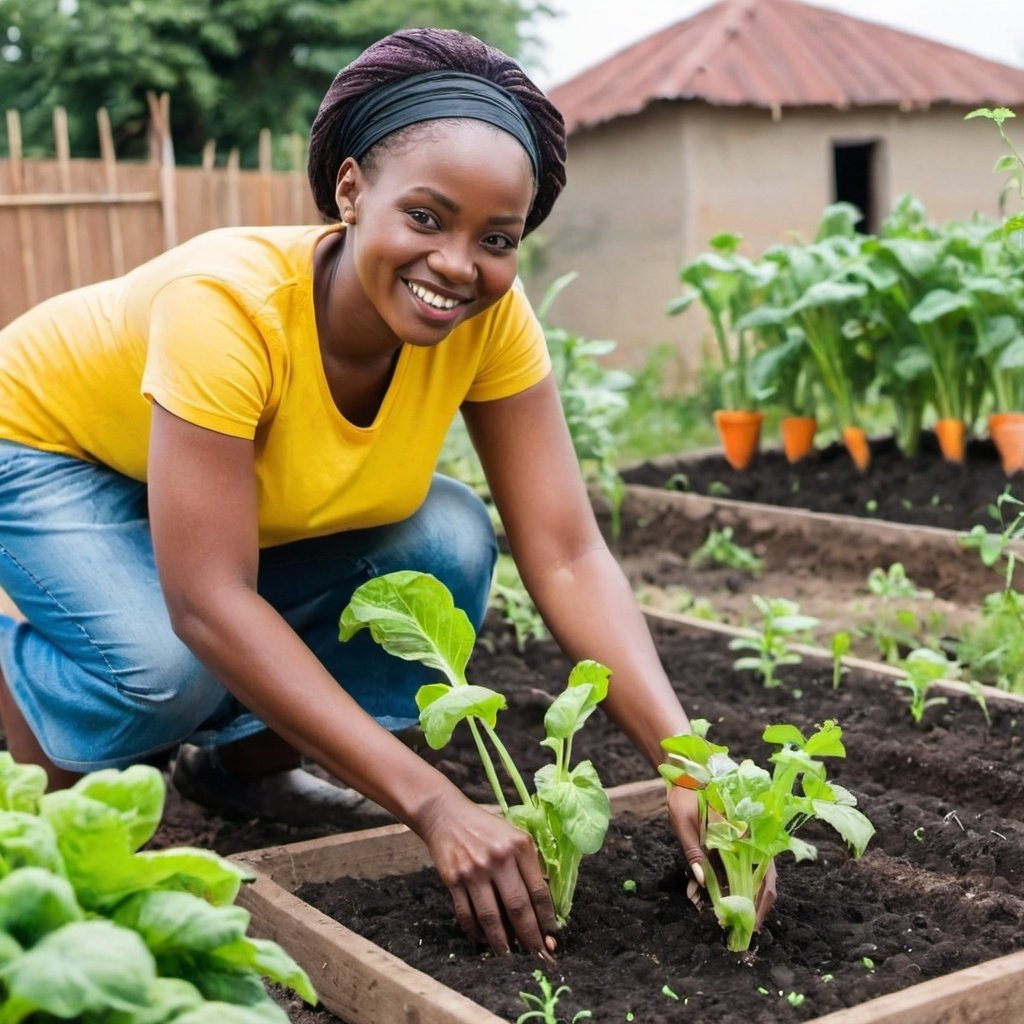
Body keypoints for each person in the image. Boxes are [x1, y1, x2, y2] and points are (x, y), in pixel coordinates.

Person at [0, 27, 769, 959]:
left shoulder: (492, 322)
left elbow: (564, 550)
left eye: (496, 239)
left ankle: (240, 768)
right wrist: (434, 803)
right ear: (352, 188)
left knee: (446, 540)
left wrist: (690, 767)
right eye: (427, 217)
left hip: (206, 488)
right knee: (168, 664)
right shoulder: (230, 307)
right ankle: (27, 716)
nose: (457, 264)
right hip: (43, 447)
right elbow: (208, 600)